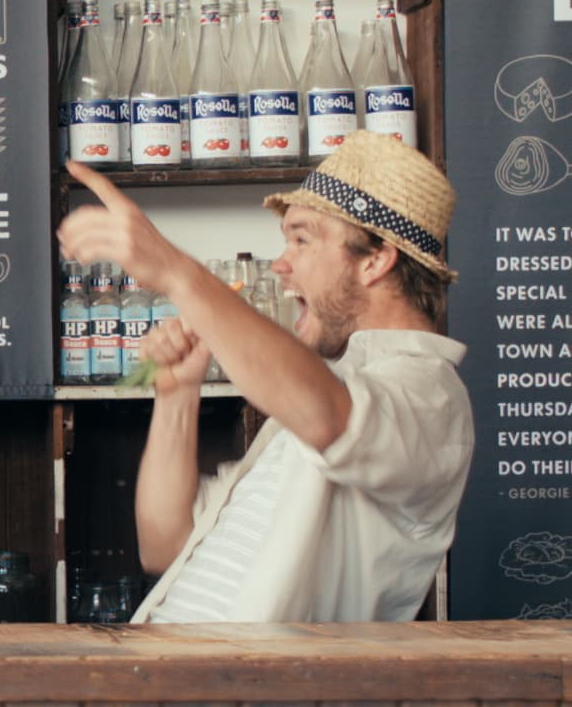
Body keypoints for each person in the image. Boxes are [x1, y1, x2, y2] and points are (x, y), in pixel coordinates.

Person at [57, 131, 471, 622]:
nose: (281, 263)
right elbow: (164, 547)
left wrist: (175, 271)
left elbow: (328, 417)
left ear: (376, 260)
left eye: (302, 238)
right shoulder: (336, 388)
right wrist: (177, 393)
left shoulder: (429, 393)